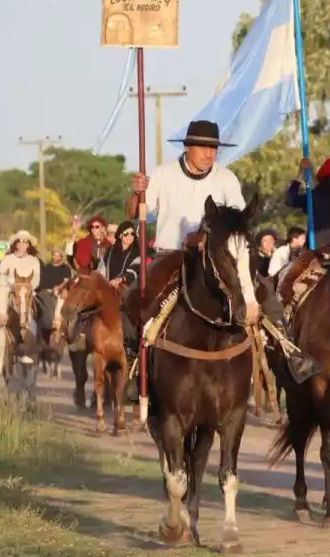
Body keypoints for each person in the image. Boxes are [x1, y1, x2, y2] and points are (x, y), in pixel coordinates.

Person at [126, 120, 306, 402]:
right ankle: (135, 361)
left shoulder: (226, 179)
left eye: (213, 148)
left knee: (263, 291)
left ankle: (286, 350)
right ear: (188, 147)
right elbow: (135, 213)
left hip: (217, 257)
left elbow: (236, 220)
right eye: (203, 147)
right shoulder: (163, 174)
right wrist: (138, 192)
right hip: (171, 255)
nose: (209, 154)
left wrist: (208, 238)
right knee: (135, 295)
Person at [277, 153, 330, 310]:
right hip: (314, 254)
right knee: (289, 281)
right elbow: (290, 200)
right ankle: (284, 317)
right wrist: (300, 175)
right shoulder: (315, 196)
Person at [0, 230, 41, 365]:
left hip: (28, 292)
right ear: (16, 244)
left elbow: (36, 279)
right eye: (20, 241)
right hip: (10, 292)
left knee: (43, 312)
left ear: (29, 245)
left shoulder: (34, 261)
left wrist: (29, 288)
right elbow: (0, 275)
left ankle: (38, 342)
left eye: (25, 242)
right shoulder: (8, 259)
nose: (22, 244)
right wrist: (12, 287)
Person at [101, 220, 142, 289]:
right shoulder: (110, 250)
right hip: (108, 287)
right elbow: (102, 267)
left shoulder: (137, 252)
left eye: (132, 233)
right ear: (120, 235)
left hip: (127, 290)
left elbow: (134, 271)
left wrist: (120, 279)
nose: (129, 236)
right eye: (126, 233)